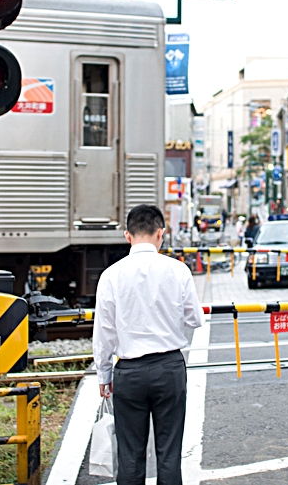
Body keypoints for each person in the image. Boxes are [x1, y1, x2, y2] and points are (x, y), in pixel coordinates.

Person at [93, 205, 204, 485]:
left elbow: (104, 332)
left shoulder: (111, 275)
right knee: (169, 454)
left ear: (127, 236)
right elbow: (194, 319)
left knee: (130, 456)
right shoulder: (178, 270)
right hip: (169, 369)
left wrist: (104, 374)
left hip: (129, 372)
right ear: (160, 234)